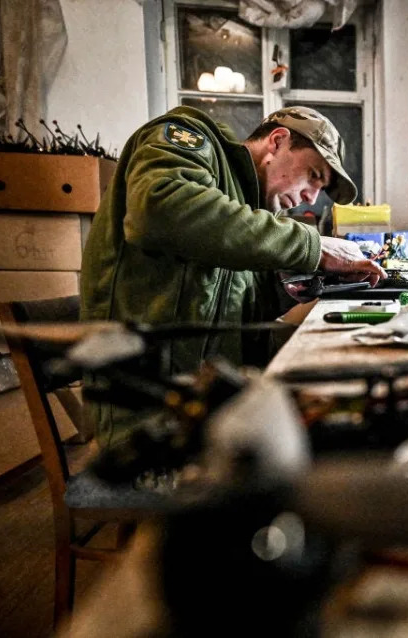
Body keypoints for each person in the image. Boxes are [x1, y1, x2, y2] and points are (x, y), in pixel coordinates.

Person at [80, 104, 385, 444]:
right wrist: (314, 247)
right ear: (277, 141)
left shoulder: (247, 208)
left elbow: (239, 312)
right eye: (314, 174)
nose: (311, 198)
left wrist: (300, 285)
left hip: (205, 400)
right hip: (148, 409)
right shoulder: (189, 138)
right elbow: (160, 210)